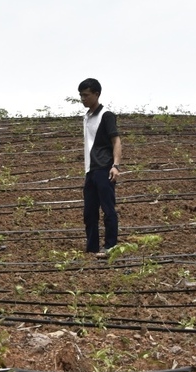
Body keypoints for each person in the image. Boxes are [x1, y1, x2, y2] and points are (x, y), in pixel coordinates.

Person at [78, 78, 122, 258]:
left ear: (97, 94)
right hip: (91, 170)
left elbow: (116, 140)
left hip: (104, 168)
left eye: (86, 95)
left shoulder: (107, 115)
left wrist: (116, 165)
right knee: (89, 211)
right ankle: (92, 248)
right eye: (81, 96)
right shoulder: (86, 117)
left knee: (108, 209)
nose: (83, 99)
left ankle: (110, 246)